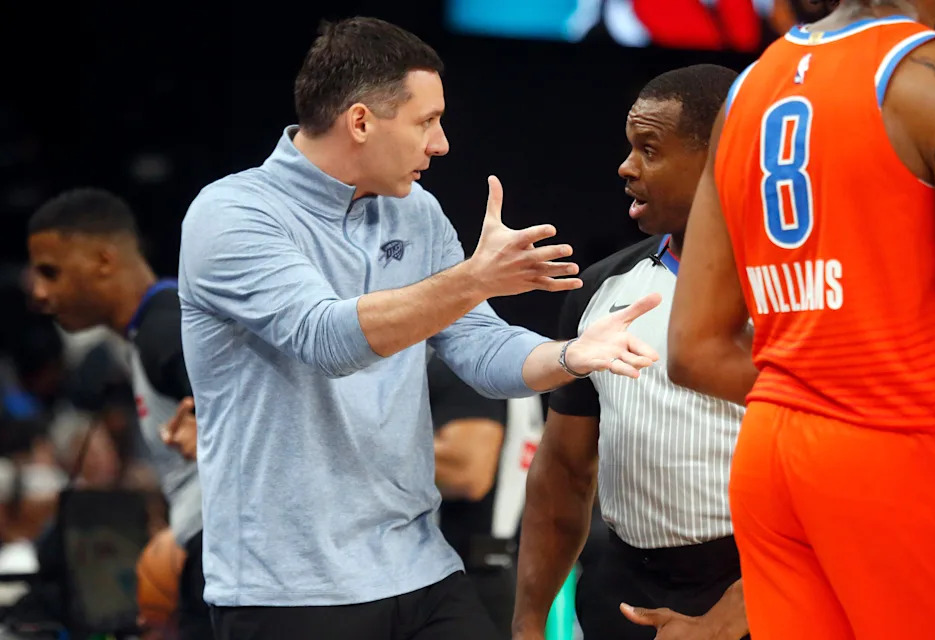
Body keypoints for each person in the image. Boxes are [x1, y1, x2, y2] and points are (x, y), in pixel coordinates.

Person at [178, 16, 661, 640]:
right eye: (426, 121)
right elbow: (327, 340)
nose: (441, 144)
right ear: (360, 122)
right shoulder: (232, 213)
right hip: (287, 588)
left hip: (420, 567)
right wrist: (474, 279)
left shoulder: (415, 210)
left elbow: (477, 343)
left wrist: (569, 355)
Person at [667, 1, 935, 638]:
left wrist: (818, 396)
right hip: (906, 446)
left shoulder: (747, 87)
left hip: (773, 456)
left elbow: (692, 347)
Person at [511, 66, 748, 640]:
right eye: (629, 147)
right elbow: (564, 473)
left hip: (754, 588)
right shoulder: (601, 288)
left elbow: (834, 489)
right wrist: (527, 623)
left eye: (649, 149)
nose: (625, 166)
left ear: (721, 156)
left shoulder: (790, 290)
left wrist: (726, 619)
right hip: (623, 588)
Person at [25, 188, 213, 640]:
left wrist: (186, 535)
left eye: (51, 272)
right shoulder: (153, 330)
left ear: (104, 261)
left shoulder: (164, 331)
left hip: (227, 565)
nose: (39, 292)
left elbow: (261, 435)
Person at [428, 354, 539, 640]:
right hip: (493, 569)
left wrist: (358, 450)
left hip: (465, 575)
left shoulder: (465, 360)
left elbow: (467, 471)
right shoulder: (504, 359)